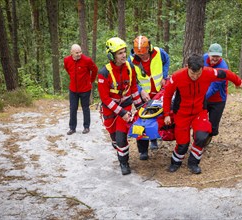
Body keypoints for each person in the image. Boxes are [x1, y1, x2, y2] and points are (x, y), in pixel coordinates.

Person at [163, 54, 242, 174]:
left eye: (198, 73)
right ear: (187, 67)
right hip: (181, 113)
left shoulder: (208, 73)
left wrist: (238, 81)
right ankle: (176, 162)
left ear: (202, 68)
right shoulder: (177, 76)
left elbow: (225, 73)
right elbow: (167, 94)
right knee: (182, 144)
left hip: (199, 112)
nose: (195, 77)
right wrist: (166, 114)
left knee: (202, 137)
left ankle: (193, 162)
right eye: (192, 73)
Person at [98, 37, 143, 175]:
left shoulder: (130, 68)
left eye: (124, 52)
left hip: (126, 106)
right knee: (114, 139)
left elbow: (134, 88)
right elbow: (105, 98)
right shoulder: (104, 73)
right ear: (112, 55)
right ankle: (119, 150)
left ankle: (124, 163)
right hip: (110, 109)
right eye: (119, 53)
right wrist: (120, 111)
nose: (124, 55)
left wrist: (140, 106)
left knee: (121, 137)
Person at [128, 35, 170, 159]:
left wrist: (164, 76)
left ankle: (154, 139)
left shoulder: (159, 52)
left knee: (155, 117)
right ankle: (143, 150)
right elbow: (131, 79)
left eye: (144, 54)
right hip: (143, 96)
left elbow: (167, 60)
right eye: (140, 55)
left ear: (149, 48)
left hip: (158, 92)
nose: (142, 57)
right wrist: (140, 91)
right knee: (141, 120)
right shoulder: (131, 60)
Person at [64, 44, 98, 135]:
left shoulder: (87, 60)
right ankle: (72, 128)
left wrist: (90, 81)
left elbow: (95, 70)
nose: (79, 54)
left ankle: (86, 127)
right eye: (77, 52)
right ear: (71, 53)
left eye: (80, 52)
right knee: (73, 108)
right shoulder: (67, 60)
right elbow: (67, 69)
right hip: (73, 89)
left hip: (85, 89)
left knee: (85, 108)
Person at [203, 43, 230, 137]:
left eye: (217, 56)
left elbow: (214, 87)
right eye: (213, 56)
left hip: (218, 99)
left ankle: (207, 138)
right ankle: (199, 141)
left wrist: (201, 97)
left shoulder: (223, 68)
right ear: (208, 53)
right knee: (199, 121)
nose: (215, 58)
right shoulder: (203, 59)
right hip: (204, 96)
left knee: (213, 128)